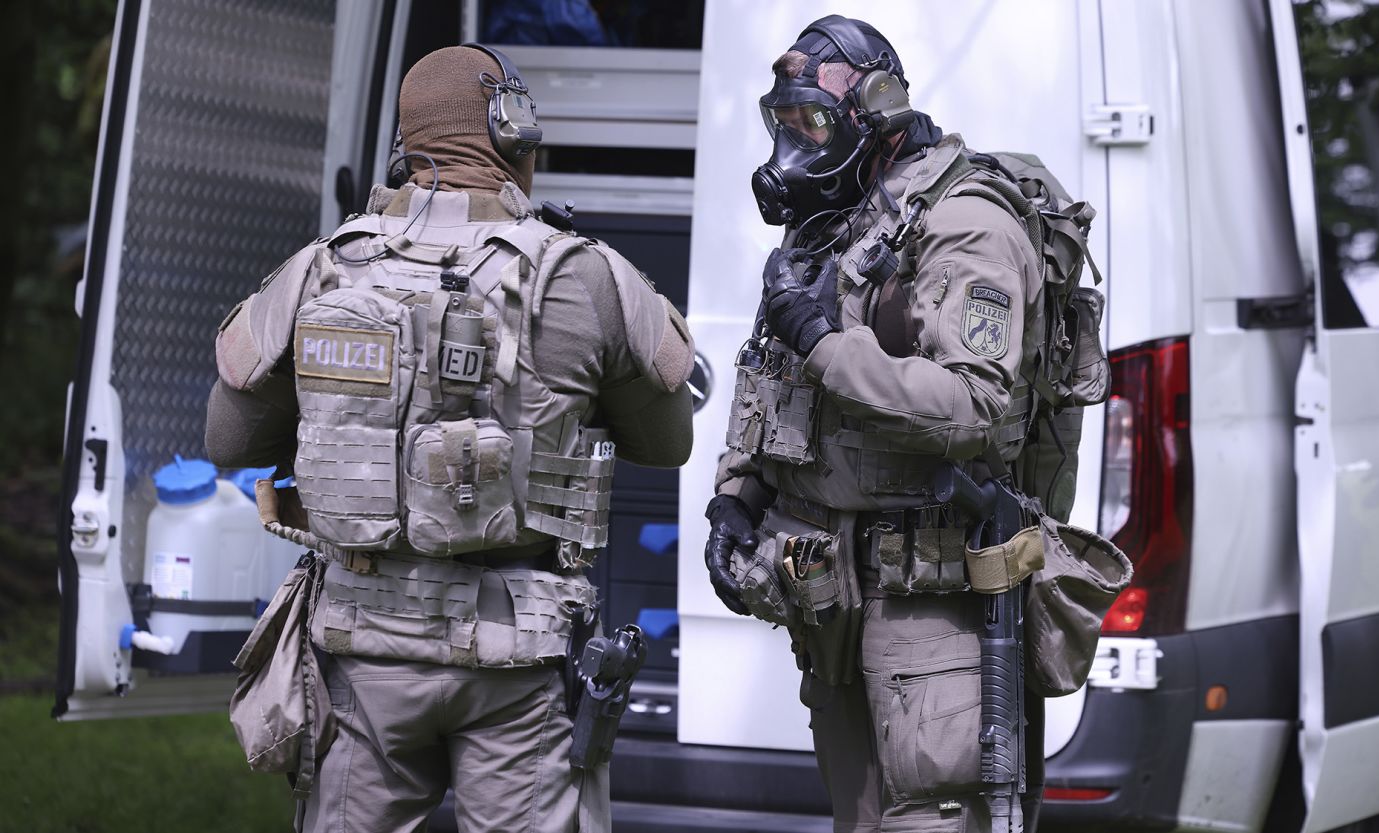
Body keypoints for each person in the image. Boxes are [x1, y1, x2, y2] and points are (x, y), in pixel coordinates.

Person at [206, 44, 695, 833]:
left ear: (405, 151)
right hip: (516, 655)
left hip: (361, 651)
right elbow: (667, 442)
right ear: (515, 140)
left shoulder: (322, 269)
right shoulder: (584, 276)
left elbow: (228, 439)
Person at [705, 15, 1084, 833]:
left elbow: (972, 405)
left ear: (874, 112)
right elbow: (773, 377)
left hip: (938, 618)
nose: (796, 142)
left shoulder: (966, 223)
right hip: (834, 602)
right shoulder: (843, 220)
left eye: (815, 120)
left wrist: (823, 342)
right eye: (785, 121)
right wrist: (736, 495)